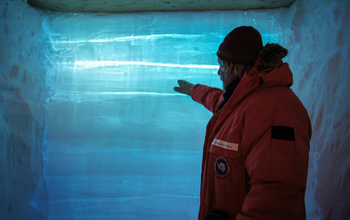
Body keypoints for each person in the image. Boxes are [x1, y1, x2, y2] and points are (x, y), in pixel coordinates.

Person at [174, 26, 312, 220]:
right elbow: (218, 100)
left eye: (222, 65)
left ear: (235, 67)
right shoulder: (244, 99)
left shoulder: (276, 109)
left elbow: (275, 198)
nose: (218, 72)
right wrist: (194, 90)